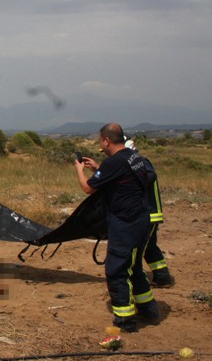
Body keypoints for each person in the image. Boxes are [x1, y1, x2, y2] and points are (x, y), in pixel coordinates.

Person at [75, 124, 158, 332]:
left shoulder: (114, 163)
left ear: (106, 141)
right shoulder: (133, 157)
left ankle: (125, 319)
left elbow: (88, 188)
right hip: (141, 220)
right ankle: (149, 309)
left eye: (100, 141)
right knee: (134, 267)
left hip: (126, 224)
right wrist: (97, 169)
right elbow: (122, 178)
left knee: (116, 270)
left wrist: (79, 171)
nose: (100, 144)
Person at [125, 138, 174, 287]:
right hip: (149, 214)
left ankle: (139, 281)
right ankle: (162, 277)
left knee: (140, 249)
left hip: (149, 214)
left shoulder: (141, 163)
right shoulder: (138, 163)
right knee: (150, 247)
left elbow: (150, 177)